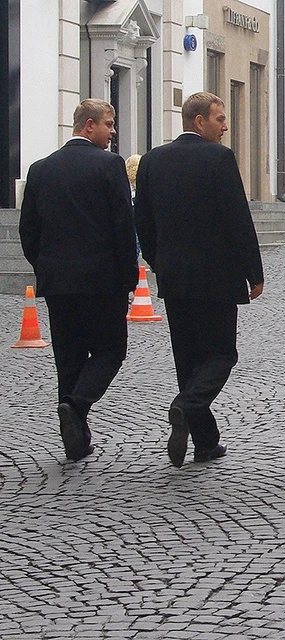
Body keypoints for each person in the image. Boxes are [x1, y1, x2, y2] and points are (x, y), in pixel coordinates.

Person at [134, 92, 264, 468]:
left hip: (174, 275)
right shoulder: (219, 158)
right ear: (198, 121)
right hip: (217, 276)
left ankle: (205, 441)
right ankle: (186, 406)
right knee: (222, 354)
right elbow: (237, 218)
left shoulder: (153, 160)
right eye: (220, 119)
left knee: (188, 360)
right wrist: (253, 272)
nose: (225, 127)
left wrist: (158, 261)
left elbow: (142, 219)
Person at [19, 99, 139, 461]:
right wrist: (128, 276)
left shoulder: (40, 169)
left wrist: (44, 267)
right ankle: (76, 404)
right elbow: (122, 226)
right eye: (109, 124)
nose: (113, 131)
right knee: (109, 351)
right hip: (102, 281)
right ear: (89, 126)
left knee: (68, 358)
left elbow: (29, 230)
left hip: (58, 282)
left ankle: (75, 438)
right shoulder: (109, 165)